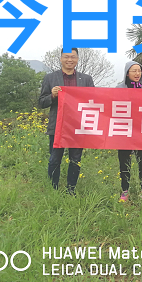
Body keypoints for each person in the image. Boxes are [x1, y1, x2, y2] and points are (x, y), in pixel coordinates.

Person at [39, 47, 95, 195]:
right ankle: (53, 190)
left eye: (73, 57)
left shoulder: (86, 79)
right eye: (66, 56)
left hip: (78, 126)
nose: (70, 60)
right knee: (54, 159)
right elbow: (41, 102)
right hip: (57, 126)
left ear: (77, 59)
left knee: (75, 159)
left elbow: (94, 101)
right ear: (61, 58)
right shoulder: (50, 78)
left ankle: (71, 190)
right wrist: (52, 96)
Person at [116, 61, 142, 201]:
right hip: (124, 130)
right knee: (124, 161)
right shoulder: (119, 89)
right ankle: (125, 190)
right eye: (134, 71)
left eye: (139, 71)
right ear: (127, 73)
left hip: (140, 130)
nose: (137, 74)